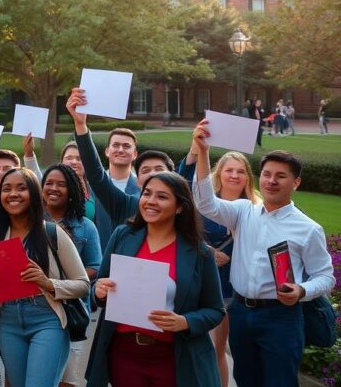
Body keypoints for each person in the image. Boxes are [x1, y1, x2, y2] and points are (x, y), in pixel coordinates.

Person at [191, 121, 335, 387]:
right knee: (246, 380)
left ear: (296, 182)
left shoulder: (308, 228)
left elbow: (326, 277)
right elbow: (204, 202)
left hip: (281, 317)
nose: (271, 181)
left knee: (280, 382)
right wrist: (202, 152)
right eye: (267, 174)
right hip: (241, 313)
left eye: (281, 176)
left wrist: (301, 291)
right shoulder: (244, 211)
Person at [0, 140, 90, 387]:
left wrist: (48, 282)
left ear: (33, 193)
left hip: (47, 320)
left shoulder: (53, 233)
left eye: (21, 188)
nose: (13, 194)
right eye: (7, 188)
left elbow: (83, 284)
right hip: (8, 321)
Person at [87, 169, 225, 386]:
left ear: (179, 207)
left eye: (162, 196)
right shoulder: (122, 236)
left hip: (173, 355)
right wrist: (98, 290)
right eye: (147, 193)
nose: (150, 201)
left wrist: (186, 321)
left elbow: (216, 309)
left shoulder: (200, 253)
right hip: (123, 352)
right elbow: (98, 290)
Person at [65, 89, 174, 233]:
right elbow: (95, 172)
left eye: (159, 170)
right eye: (116, 145)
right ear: (107, 151)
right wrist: (80, 125)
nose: (120, 150)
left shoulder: (140, 198)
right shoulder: (124, 201)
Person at [201, 151, 261, 387]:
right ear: (219, 173)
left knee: (218, 348)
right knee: (196, 345)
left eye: (240, 171)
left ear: (248, 177)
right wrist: (206, 250)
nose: (234, 176)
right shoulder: (205, 203)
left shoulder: (258, 208)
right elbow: (185, 234)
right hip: (202, 281)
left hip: (233, 289)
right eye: (229, 170)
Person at [40, 164, 101, 387]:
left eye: (61, 184)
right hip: (36, 309)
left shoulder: (85, 227)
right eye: (49, 183)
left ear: (72, 190)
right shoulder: (27, 223)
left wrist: (62, 281)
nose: (54, 188)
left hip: (72, 310)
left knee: (68, 378)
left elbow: (95, 266)